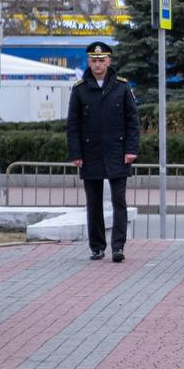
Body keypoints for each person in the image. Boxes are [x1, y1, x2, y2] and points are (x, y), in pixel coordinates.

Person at [65, 41, 140, 263]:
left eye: (101, 60)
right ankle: (97, 247)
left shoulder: (121, 87)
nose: (97, 64)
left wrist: (131, 149)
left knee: (119, 201)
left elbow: (132, 121)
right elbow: (73, 124)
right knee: (94, 203)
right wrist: (76, 153)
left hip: (118, 152)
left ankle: (118, 247)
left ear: (109, 61)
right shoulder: (80, 89)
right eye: (94, 60)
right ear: (89, 62)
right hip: (91, 153)